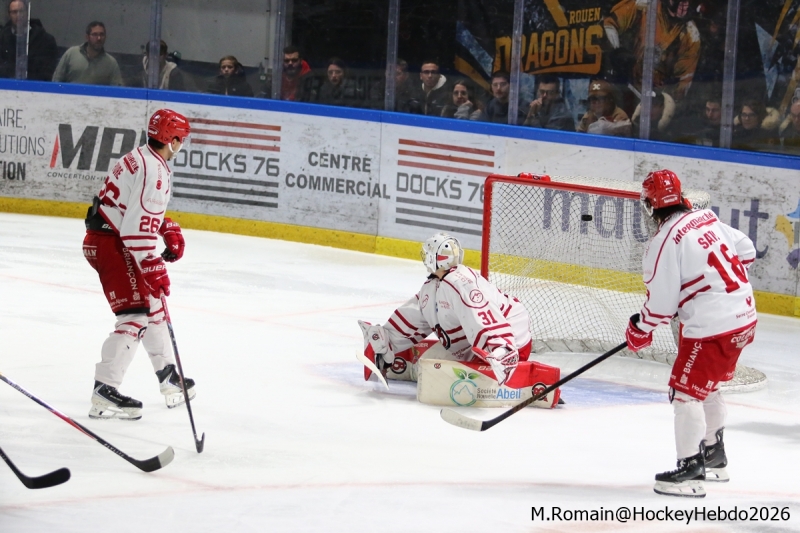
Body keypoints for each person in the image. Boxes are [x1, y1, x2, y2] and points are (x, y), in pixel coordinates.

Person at [625, 169, 756, 498]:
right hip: (744, 316)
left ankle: (691, 469)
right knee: (706, 387)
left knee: (685, 394)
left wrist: (640, 330)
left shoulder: (663, 242)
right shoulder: (706, 217)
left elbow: (661, 305)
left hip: (712, 328)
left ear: (650, 206)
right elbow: (748, 251)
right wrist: (716, 287)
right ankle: (714, 457)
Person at [82, 109, 196, 420]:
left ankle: (168, 376)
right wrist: (153, 264)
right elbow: (134, 230)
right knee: (135, 316)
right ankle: (105, 389)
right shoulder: (155, 170)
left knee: (154, 307)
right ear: (171, 140)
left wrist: (165, 225)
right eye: (181, 140)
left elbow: (132, 211)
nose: (182, 144)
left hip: (110, 238)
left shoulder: (141, 156)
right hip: (113, 245)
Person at [358, 233, 559, 405]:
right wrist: (386, 338)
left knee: (434, 375)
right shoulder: (433, 286)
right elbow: (417, 315)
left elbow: (481, 315)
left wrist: (500, 349)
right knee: (427, 366)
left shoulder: (461, 283)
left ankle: (523, 382)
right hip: (476, 343)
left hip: (511, 339)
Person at [603, 0, 701, 104]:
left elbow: (683, 83)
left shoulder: (692, 35)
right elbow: (609, 24)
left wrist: (662, 101)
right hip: (628, 85)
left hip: (655, 99)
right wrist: (618, 52)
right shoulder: (646, 5)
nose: (683, 4)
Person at [52, 21, 123, 86]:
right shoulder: (71, 53)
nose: (99, 38)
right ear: (87, 37)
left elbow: (117, 90)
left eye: (102, 35)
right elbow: (57, 79)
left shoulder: (111, 63)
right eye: (94, 34)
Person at [0, 0, 57, 81]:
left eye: (21, 11)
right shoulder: (2, 39)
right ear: (9, 15)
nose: (18, 15)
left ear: (27, 12)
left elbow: (47, 70)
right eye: (14, 12)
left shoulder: (45, 40)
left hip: (35, 88)